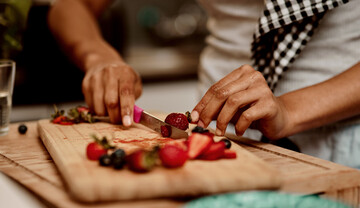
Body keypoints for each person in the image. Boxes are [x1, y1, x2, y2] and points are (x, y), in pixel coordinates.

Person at [48, 0, 360, 168]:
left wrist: (289, 110)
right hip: (216, 135)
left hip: (337, 149)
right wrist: (99, 56)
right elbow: (69, 6)